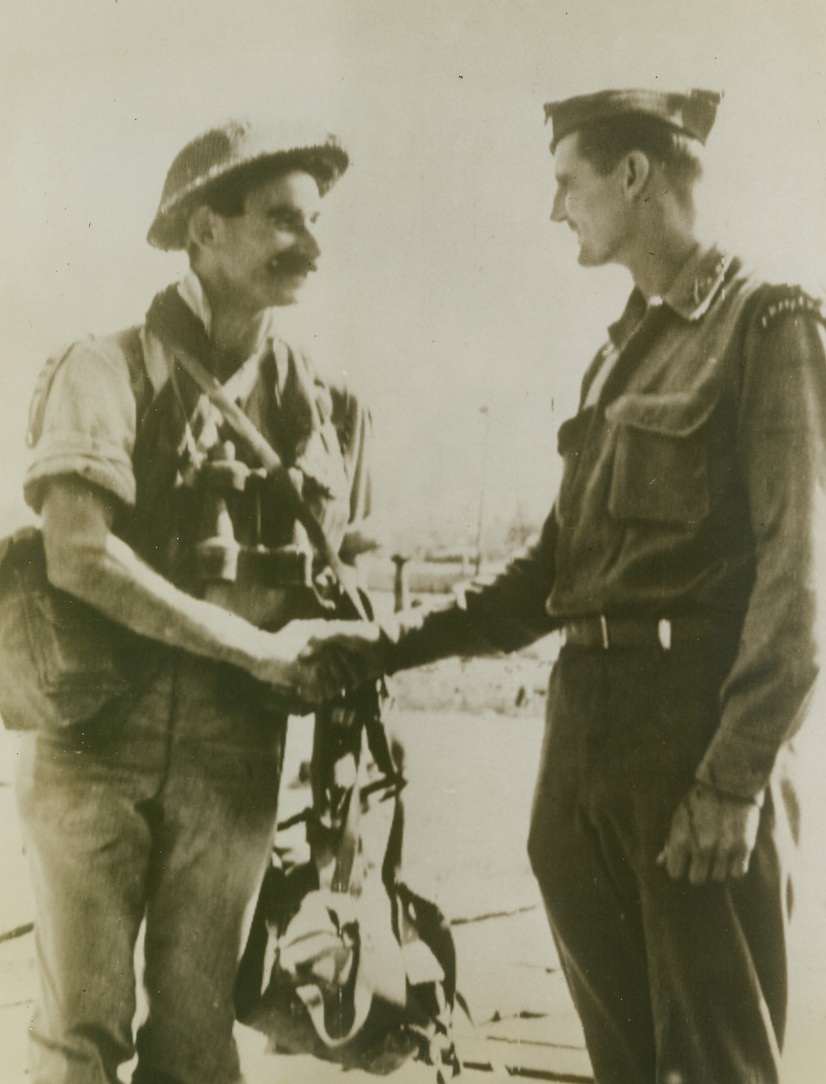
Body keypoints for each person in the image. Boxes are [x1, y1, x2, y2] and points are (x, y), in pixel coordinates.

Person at [302, 88, 826, 1083]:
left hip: (689, 745)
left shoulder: (768, 323)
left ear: (632, 173)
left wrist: (732, 780)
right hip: (581, 745)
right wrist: (379, 645)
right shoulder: (615, 357)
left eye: (565, 182)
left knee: (715, 1063)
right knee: (622, 1063)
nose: (555, 210)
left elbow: (800, 583)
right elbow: (548, 574)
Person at [16, 118, 376, 1084]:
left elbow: (350, 575)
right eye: (279, 220)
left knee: (197, 1030)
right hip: (98, 739)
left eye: (313, 221)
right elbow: (79, 557)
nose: (308, 243)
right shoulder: (107, 369)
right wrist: (252, 650)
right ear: (203, 233)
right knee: (81, 1031)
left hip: (235, 758)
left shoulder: (329, 408)